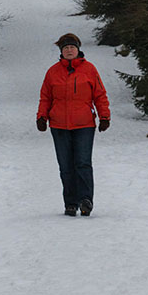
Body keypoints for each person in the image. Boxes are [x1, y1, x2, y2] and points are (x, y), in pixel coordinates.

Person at [36, 32, 110, 216]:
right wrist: (41, 117)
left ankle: (86, 200)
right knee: (66, 165)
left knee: (83, 163)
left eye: (72, 47)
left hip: (84, 124)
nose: (69, 50)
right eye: (66, 48)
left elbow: (100, 95)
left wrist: (104, 116)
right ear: (62, 51)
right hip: (59, 125)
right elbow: (45, 97)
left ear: (78, 50)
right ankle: (70, 203)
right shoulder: (52, 72)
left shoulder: (90, 70)